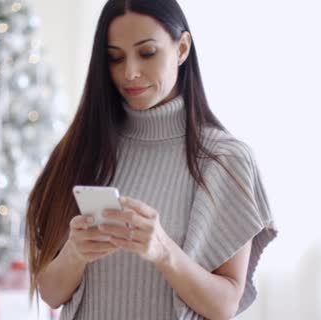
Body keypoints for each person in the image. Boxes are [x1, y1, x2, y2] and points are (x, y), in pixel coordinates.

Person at [25, 0, 278, 319]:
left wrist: (163, 250)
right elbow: (50, 292)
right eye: (115, 58)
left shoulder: (225, 160)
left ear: (182, 48)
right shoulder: (80, 149)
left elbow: (225, 305)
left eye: (147, 53)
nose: (129, 72)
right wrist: (75, 252)